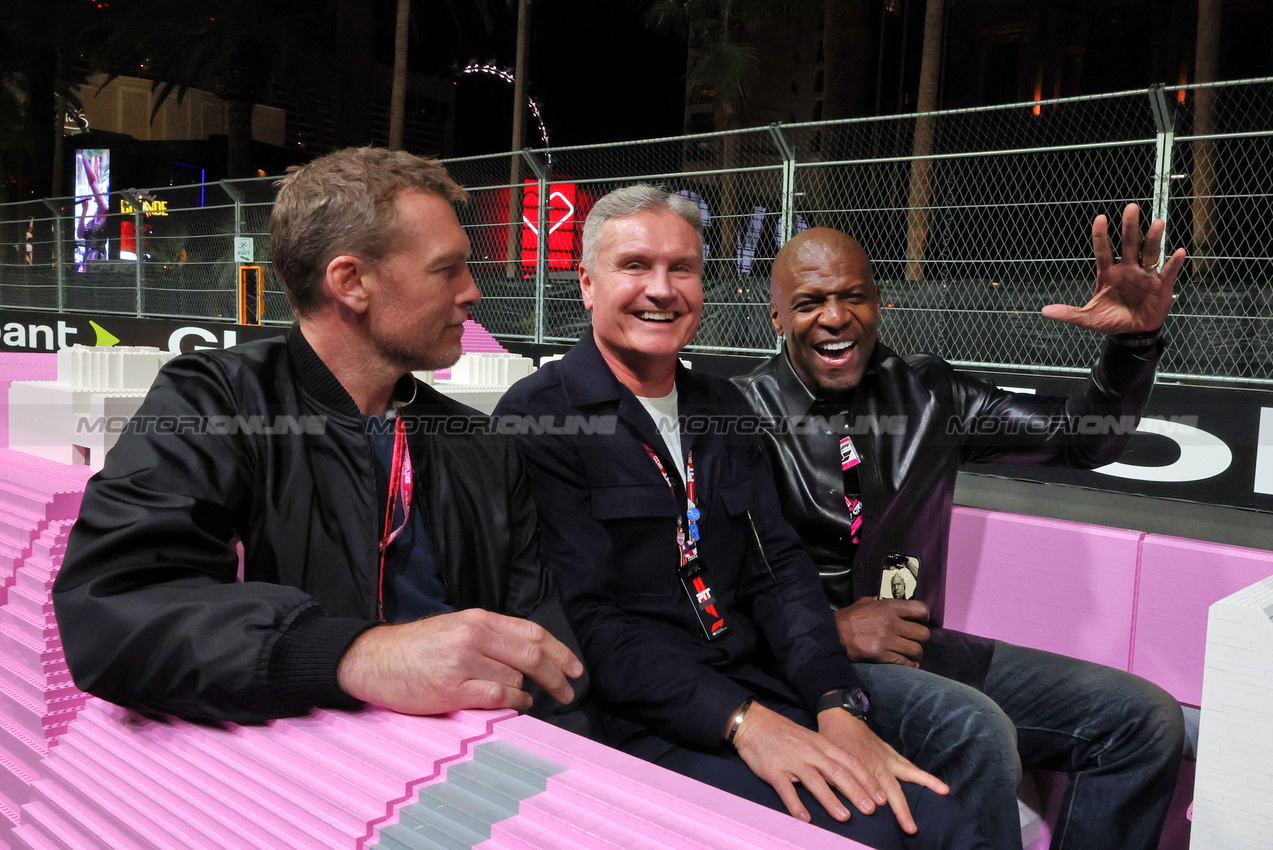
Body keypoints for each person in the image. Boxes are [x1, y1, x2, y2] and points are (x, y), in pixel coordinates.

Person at [495, 185, 988, 849]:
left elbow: (776, 570)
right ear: (586, 284)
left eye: (683, 268)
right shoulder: (538, 418)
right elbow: (587, 624)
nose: (662, 290)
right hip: (642, 720)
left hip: (757, 681)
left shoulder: (721, 405)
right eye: (635, 266)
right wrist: (742, 721)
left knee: (955, 799)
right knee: (902, 829)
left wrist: (832, 701)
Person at [53, 147, 585, 727]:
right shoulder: (214, 401)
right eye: (446, 268)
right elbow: (115, 609)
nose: (471, 292)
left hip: (481, 768)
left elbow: (545, 650)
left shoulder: (477, 440)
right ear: (351, 281)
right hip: (307, 783)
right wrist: (354, 654)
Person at [733, 215, 1188, 850]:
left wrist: (1133, 347)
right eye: (809, 303)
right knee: (977, 727)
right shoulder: (734, 417)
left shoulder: (930, 393)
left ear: (880, 302)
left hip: (922, 654)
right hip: (805, 668)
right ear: (777, 317)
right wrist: (830, 630)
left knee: (1145, 720)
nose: (835, 317)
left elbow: (1082, 440)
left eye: (852, 296)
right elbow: (701, 589)